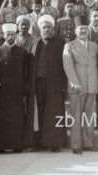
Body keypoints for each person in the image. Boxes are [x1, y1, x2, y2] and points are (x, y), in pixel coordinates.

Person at [24, 15, 67, 152]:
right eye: (44, 27)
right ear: (40, 29)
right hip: (37, 83)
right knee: (39, 112)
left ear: (53, 28)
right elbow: (29, 65)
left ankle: (54, 143)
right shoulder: (34, 43)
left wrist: (64, 85)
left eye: (49, 27)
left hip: (54, 84)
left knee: (54, 112)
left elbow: (65, 66)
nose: (46, 30)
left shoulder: (61, 43)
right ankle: (39, 142)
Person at [62, 19, 98, 154]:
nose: (83, 31)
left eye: (85, 28)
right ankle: (76, 145)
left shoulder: (94, 46)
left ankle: (88, 143)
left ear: (88, 30)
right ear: (75, 31)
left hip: (92, 86)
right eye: (80, 29)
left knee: (89, 116)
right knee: (76, 116)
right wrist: (75, 83)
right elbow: (68, 66)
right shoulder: (69, 46)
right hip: (77, 87)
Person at [0, 23, 28, 153]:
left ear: (15, 35)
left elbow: (25, 72)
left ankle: (17, 145)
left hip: (17, 91)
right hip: (3, 91)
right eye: (8, 35)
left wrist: (24, 90)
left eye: (12, 34)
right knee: (2, 118)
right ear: (3, 35)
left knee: (16, 117)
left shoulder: (22, 52)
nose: (10, 37)